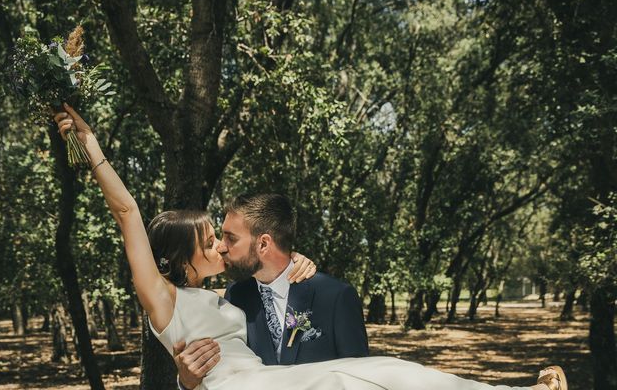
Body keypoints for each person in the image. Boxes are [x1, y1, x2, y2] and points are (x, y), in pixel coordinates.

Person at [54, 106, 568, 390]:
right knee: (363, 375)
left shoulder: (226, 299)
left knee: (384, 372)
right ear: (177, 254)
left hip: (271, 382)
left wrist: (300, 263)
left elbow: (268, 278)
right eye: (209, 237)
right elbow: (127, 214)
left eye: (222, 236)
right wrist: (90, 143)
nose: (217, 243)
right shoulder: (163, 301)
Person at [173, 194, 369, 389]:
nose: (221, 247)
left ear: (264, 244)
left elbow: (362, 380)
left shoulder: (336, 297)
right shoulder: (236, 296)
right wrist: (187, 381)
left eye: (231, 238)